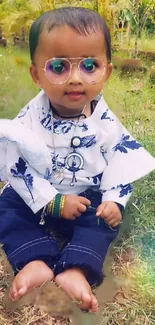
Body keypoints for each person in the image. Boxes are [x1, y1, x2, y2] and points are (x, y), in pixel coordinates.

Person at [0, 7, 154, 313]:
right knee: (7, 206)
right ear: (36, 74)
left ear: (107, 72)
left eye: (89, 65)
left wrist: (114, 201)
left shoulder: (105, 123)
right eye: (58, 66)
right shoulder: (29, 118)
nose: (75, 78)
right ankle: (34, 260)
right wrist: (51, 201)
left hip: (86, 198)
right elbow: (14, 163)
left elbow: (120, 164)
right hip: (40, 196)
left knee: (100, 221)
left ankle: (77, 269)